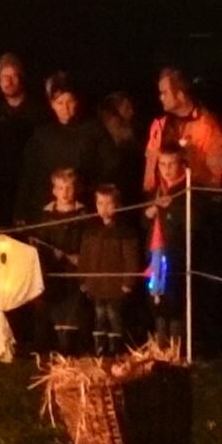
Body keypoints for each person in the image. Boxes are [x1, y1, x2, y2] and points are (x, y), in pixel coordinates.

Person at [18, 77, 116, 221]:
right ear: (52, 105)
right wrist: (21, 211)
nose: (65, 108)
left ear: (76, 101)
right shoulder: (42, 135)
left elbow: (111, 166)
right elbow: (29, 175)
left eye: (69, 102)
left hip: (86, 209)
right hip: (49, 213)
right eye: (60, 103)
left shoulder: (94, 130)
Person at [0, 53, 48, 227]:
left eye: (12, 76)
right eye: (4, 77)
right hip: (1, 189)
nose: (8, 81)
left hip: (30, 187)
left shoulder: (38, 112)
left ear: (21, 78)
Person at [141, 68, 222, 191]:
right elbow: (149, 173)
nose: (161, 98)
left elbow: (216, 178)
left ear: (180, 95)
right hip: (160, 203)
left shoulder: (208, 127)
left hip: (193, 201)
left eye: (165, 93)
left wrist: (191, 159)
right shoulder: (159, 126)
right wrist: (150, 199)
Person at [78, 184, 141, 356]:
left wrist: (128, 283)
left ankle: (116, 349)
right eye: (100, 203)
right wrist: (83, 280)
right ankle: (100, 349)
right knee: (99, 316)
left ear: (117, 205)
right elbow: (84, 257)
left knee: (114, 316)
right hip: (96, 285)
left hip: (115, 286)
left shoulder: (125, 231)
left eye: (108, 203)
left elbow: (131, 259)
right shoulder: (91, 231)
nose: (104, 208)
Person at [31, 167, 88, 353]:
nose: (65, 192)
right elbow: (40, 241)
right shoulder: (46, 215)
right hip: (52, 270)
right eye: (61, 188)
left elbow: (87, 241)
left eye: (69, 188)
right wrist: (48, 254)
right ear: (54, 190)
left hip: (74, 270)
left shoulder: (83, 215)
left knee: (73, 307)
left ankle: (70, 346)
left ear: (76, 189)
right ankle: (48, 346)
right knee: (52, 306)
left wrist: (80, 257)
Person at [142, 148, 190, 343]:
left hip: (175, 252)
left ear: (181, 164)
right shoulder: (154, 189)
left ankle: (176, 346)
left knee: (174, 298)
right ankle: (160, 344)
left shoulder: (187, 189)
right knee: (156, 298)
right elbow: (142, 220)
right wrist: (149, 213)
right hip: (154, 251)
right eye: (162, 164)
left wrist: (173, 208)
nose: (167, 169)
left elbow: (197, 221)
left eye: (171, 164)